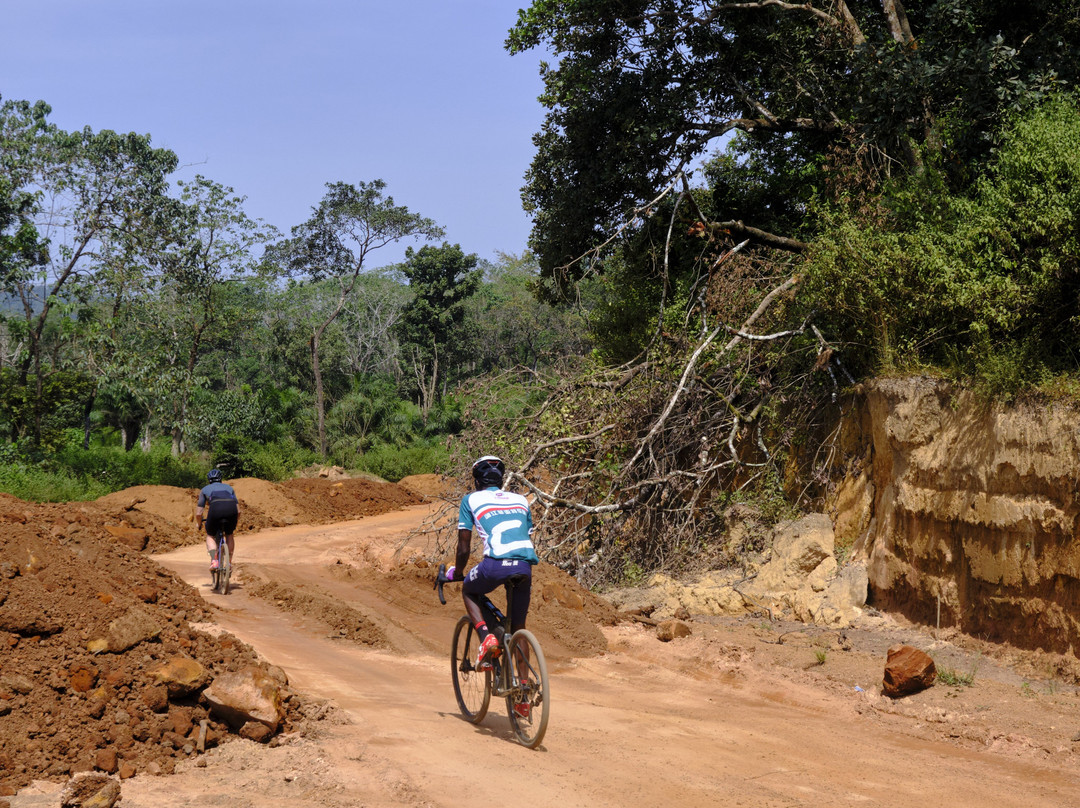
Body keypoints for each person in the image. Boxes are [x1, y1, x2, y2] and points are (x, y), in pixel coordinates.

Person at [445, 455, 538, 715]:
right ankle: (522, 693)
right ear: (501, 479)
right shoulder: (521, 500)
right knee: (519, 628)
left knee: (470, 589)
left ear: (476, 481)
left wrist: (458, 573)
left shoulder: (471, 500)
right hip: (524, 566)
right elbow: (525, 536)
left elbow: (464, 546)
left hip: (495, 564)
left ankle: (486, 638)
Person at [194, 468, 239, 572]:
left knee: (210, 535)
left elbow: (199, 513)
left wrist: (199, 524)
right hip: (231, 512)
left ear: (209, 479)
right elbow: (239, 511)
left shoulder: (205, 489)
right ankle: (229, 562)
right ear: (220, 479)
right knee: (229, 534)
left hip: (215, 512)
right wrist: (234, 521)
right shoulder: (229, 488)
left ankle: (215, 561)